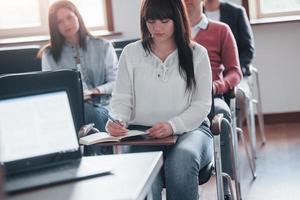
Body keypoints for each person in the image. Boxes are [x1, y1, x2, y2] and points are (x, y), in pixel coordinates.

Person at [106, 0, 213, 199]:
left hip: (192, 130)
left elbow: (201, 105)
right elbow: (121, 99)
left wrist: (173, 125)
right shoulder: (131, 53)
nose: (156, 28)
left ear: (178, 19)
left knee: (182, 159)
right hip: (142, 134)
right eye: (151, 21)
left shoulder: (197, 54)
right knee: (143, 168)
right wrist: (118, 120)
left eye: (164, 20)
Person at [38, 0, 118, 155]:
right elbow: (49, 92)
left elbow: (116, 83)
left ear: (77, 16)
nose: (66, 24)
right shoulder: (49, 55)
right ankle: (102, 159)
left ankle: (95, 158)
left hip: (104, 106)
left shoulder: (103, 46)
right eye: (59, 22)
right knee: (86, 113)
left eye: (69, 17)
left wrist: (94, 91)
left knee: (91, 114)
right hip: (69, 111)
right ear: (55, 27)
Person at [184, 0, 242, 199]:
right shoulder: (169, 31)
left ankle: (224, 184)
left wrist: (217, 86)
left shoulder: (221, 30)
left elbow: (235, 72)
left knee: (222, 115)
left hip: (212, 96)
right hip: (178, 100)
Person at [204, 0, 255, 126]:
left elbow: (248, 49)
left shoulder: (236, 12)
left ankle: (231, 135)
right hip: (207, 75)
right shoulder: (193, 12)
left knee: (238, 97)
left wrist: (232, 71)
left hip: (233, 73)